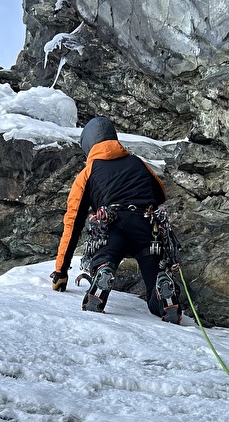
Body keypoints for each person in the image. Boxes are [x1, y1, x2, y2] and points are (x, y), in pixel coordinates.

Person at [50, 116, 182, 322]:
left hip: (112, 226)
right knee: (152, 279)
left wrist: (61, 271)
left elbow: (72, 223)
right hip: (147, 228)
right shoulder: (138, 163)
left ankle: (104, 269)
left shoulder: (87, 173)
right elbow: (160, 193)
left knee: (105, 253)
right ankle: (162, 291)